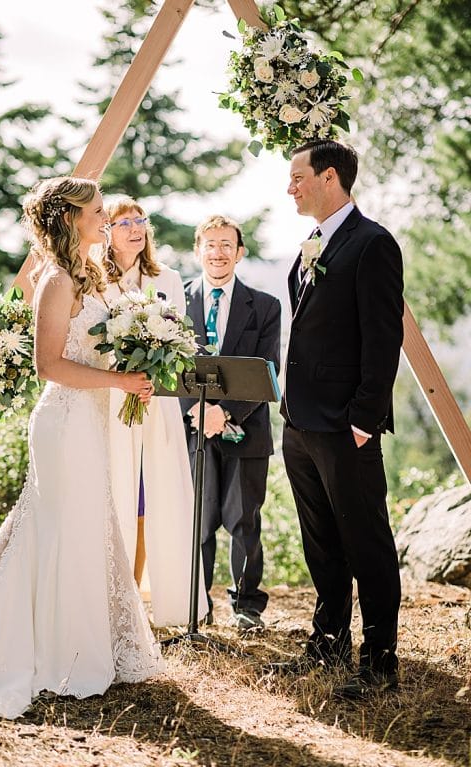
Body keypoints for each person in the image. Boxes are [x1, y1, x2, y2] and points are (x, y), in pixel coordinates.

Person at [0, 177, 163, 728]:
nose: (106, 218)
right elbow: (48, 365)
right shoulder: (55, 280)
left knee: (88, 523)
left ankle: (91, 640)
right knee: (63, 527)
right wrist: (119, 380)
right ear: (72, 219)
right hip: (65, 420)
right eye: (97, 211)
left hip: (91, 419)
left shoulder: (94, 274)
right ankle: (64, 652)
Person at [280, 139, 404, 698]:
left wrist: (363, 419)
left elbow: (383, 340)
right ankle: (327, 645)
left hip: (344, 426)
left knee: (366, 542)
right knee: (322, 543)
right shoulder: (312, 242)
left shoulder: (373, 244)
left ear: (329, 177)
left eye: (297, 176)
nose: (291, 188)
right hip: (302, 424)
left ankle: (379, 664)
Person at [99, 195, 208, 627]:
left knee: (151, 496)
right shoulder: (95, 282)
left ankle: (152, 599)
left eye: (140, 221)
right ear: (105, 231)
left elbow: (179, 342)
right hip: (111, 403)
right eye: (124, 222)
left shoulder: (168, 278)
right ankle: (113, 597)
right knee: (117, 492)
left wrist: (151, 371)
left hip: (156, 405)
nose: (135, 228)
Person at [180, 215, 281, 631]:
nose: (218, 252)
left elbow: (267, 369)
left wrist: (227, 411)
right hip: (191, 428)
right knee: (197, 521)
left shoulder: (265, 306)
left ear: (239, 253)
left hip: (247, 427)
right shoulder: (175, 304)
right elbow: (165, 365)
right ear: (197, 250)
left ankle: (246, 607)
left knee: (243, 521)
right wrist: (197, 408)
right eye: (210, 244)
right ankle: (195, 604)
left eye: (226, 245)